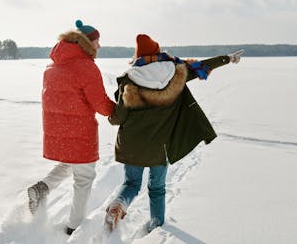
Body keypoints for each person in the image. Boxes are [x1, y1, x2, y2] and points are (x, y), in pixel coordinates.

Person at [104, 34, 244, 233]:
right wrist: (227, 59)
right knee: (157, 188)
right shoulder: (177, 72)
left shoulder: (129, 79)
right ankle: (156, 225)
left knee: (131, 183)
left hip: (132, 143)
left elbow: (118, 117)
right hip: (160, 146)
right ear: (158, 52)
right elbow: (204, 65)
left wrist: (110, 118)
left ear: (138, 56)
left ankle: (117, 207)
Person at [27, 20, 116, 235]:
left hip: (59, 130)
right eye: (97, 41)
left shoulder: (52, 67)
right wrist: (119, 110)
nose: (99, 46)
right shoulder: (86, 67)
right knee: (84, 178)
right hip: (80, 130)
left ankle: (43, 187)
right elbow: (101, 105)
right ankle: (74, 227)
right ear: (87, 42)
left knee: (69, 162)